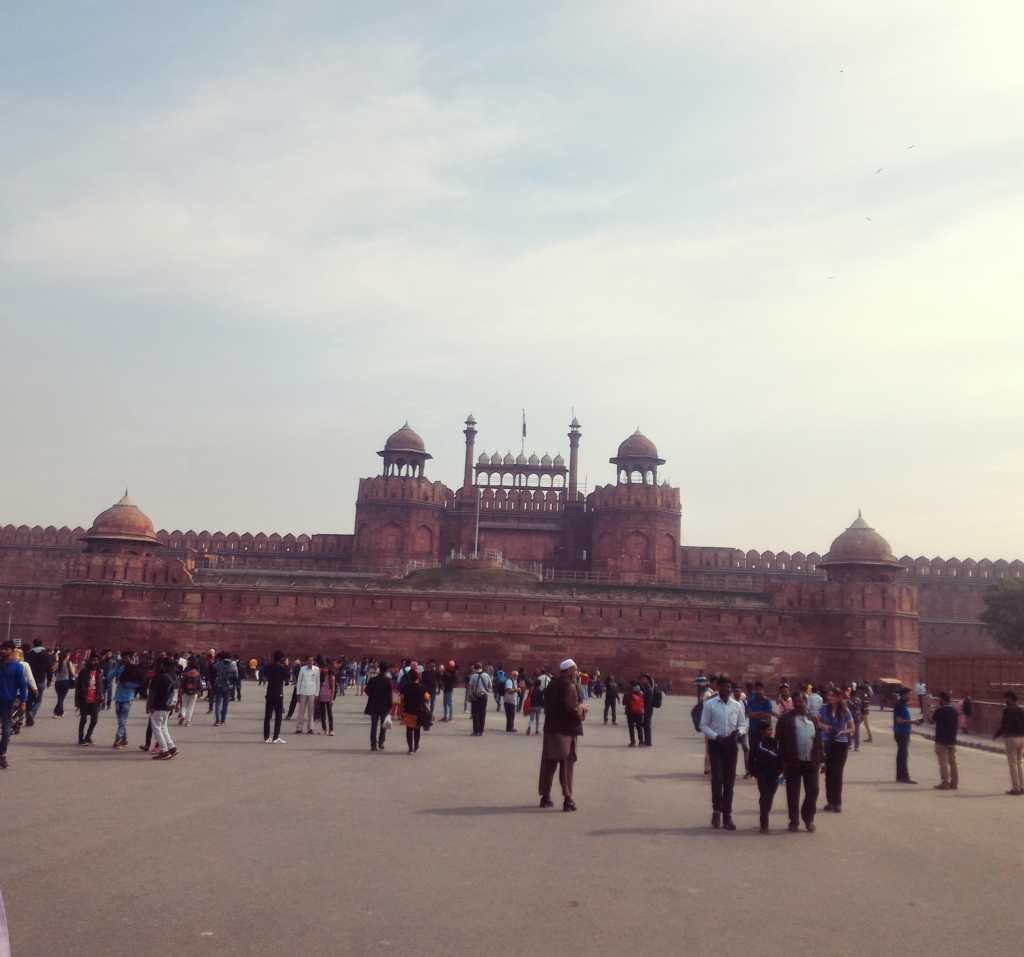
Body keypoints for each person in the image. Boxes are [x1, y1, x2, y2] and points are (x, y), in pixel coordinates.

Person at [699, 675, 747, 830]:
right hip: (716, 745)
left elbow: (743, 724)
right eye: (725, 687)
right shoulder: (710, 704)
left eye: (729, 687)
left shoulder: (737, 705)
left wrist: (738, 732)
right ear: (718, 688)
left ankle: (728, 816)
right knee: (717, 779)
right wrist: (716, 736)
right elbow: (703, 725)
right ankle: (716, 812)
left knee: (729, 782)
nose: (728, 689)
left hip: (731, 745)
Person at [538, 659, 586, 811]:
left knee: (548, 764)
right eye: (575, 670)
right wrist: (582, 709)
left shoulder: (552, 684)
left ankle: (545, 797)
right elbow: (572, 708)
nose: (577, 673)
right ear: (570, 670)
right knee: (566, 766)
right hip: (565, 731)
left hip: (550, 729)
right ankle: (568, 799)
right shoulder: (570, 686)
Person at [776, 691, 822, 832]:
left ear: (806, 703)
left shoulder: (813, 719)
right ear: (794, 703)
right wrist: (781, 763)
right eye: (796, 701)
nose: (799, 703)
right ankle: (794, 821)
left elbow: (818, 740)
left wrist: (822, 759)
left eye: (801, 701)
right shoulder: (785, 719)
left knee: (813, 790)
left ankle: (808, 818)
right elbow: (778, 741)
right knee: (793, 793)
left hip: (811, 761)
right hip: (793, 761)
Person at [819, 688, 855, 812]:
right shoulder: (824, 708)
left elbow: (852, 728)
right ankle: (830, 802)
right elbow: (817, 721)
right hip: (827, 743)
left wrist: (842, 731)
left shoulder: (845, 710)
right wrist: (825, 727)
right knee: (828, 773)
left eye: (833, 696)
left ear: (839, 697)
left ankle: (837, 802)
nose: (830, 698)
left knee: (837, 773)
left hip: (841, 743)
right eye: (829, 695)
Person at [750, 717, 783, 833]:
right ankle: (764, 823)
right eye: (768, 730)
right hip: (762, 774)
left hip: (774, 774)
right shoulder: (757, 744)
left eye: (771, 729)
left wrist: (781, 770)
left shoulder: (775, 743)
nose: (771, 731)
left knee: (770, 797)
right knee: (764, 796)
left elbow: (781, 757)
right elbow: (751, 758)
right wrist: (753, 772)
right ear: (762, 731)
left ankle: (765, 813)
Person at [0, 640, 29, 769]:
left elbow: (22, 685)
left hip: (8, 702)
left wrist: (23, 701)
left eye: (6, 649)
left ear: (12, 650)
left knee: (6, 731)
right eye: (2, 648)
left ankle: (2, 754)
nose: (3, 651)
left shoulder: (18, 667)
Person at [993, 690, 1024, 796]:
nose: (1005, 700)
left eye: (1006, 698)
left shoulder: (1007, 710)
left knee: (1013, 764)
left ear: (1010, 698)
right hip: (1021, 737)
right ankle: (1022, 786)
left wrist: (997, 734)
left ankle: (1016, 788)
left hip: (1011, 738)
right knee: (1019, 763)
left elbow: (1004, 725)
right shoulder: (1020, 709)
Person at [148, 657, 178, 760]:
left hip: (159, 706)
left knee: (157, 728)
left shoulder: (160, 677)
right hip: (168, 706)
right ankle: (171, 747)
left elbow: (154, 693)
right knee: (164, 727)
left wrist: (151, 706)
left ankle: (164, 751)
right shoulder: (173, 677)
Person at [111, 652, 143, 749]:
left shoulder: (134, 669)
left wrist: (127, 684)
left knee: (122, 719)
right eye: (124, 658)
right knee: (120, 720)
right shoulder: (120, 668)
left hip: (128, 697)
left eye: (127, 658)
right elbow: (109, 677)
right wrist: (116, 667)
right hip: (118, 697)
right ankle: (124, 739)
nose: (125, 660)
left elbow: (139, 684)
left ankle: (119, 738)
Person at [931, 690, 960, 791]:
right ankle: (954, 783)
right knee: (952, 762)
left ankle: (945, 783)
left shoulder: (940, 710)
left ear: (942, 700)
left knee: (943, 762)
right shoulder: (955, 711)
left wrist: (934, 709)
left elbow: (931, 721)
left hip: (941, 740)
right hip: (952, 739)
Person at [893, 687, 922, 783]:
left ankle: (900, 776)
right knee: (903, 755)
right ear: (904, 695)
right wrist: (913, 722)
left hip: (902, 732)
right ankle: (904, 777)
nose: (910, 696)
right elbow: (899, 721)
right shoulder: (900, 705)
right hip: (901, 732)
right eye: (909, 694)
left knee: (901, 754)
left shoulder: (902, 704)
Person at [74, 656, 104, 746]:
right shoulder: (83, 672)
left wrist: (102, 697)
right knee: (83, 719)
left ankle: (88, 736)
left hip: (95, 700)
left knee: (94, 720)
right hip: (84, 699)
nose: (93, 663)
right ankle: (80, 739)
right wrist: (77, 702)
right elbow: (78, 688)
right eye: (92, 661)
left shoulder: (98, 673)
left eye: (95, 661)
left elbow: (100, 686)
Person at [364, 661, 393, 751]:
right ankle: (381, 742)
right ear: (387, 670)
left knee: (374, 725)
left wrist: (372, 695)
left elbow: (366, 690)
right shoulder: (388, 681)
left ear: (379, 668)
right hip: (384, 706)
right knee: (383, 725)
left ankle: (373, 744)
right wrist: (390, 706)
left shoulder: (373, 679)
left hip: (374, 704)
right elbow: (390, 695)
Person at [401, 667, 430, 754]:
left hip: (408, 710)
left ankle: (410, 748)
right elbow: (427, 698)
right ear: (417, 677)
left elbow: (401, 698)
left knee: (409, 730)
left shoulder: (406, 687)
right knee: (417, 730)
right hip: (419, 711)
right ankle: (416, 746)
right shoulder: (422, 687)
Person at [262, 650, 289, 743]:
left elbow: (263, 673)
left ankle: (266, 737)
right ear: (281, 658)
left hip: (269, 693)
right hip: (278, 694)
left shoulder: (269, 667)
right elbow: (287, 678)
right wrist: (286, 665)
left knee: (267, 716)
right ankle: (275, 737)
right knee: (278, 716)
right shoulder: (282, 668)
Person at [25, 639, 52, 725]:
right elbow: (49, 669)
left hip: (30, 681)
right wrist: (49, 680)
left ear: (33, 644)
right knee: (38, 700)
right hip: (41, 680)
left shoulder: (29, 654)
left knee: (29, 700)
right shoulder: (46, 655)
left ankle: (28, 717)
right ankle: (32, 713)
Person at [211, 652, 238, 726]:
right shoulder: (233, 664)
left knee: (217, 703)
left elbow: (213, 668)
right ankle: (223, 721)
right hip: (228, 686)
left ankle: (217, 720)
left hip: (219, 685)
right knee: (225, 704)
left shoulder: (219, 663)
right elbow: (236, 676)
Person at [467, 663, 492, 736]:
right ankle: (481, 731)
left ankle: (476, 731)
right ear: (481, 668)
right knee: (482, 714)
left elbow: (470, 687)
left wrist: (470, 696)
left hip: (475, 697)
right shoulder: (486, 675)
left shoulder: (473, 676)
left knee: (475, 714)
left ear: (475, 668)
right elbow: (490, 686)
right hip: (484, 696)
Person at [52, 649, 76, 718]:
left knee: (60, 697)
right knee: (61, 698)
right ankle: (57, 713)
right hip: (65, 682)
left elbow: (52, 670)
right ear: (67, 656)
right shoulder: (69, 663)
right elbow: (73, 673)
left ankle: (60, 712)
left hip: (58, 683)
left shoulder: (58, 663)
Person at [178, 658, 202, 726]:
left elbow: (182, 683)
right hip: (194, 692)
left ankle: (183, 715)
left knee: (184, 705)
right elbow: (199, 684)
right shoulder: (197, 674)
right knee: (190, 707)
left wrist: (181, 689)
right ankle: (188, 722)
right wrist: (199, 691)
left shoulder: (186, 674)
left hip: (185, 691)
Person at [625, 681, 646, 747]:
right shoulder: (641, 693)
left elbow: (624, 702)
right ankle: (641, 742)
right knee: (639, 727)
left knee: (631, 728)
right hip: (639, 713)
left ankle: (633, 742)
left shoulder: (628, 693)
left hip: (630, 713)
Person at [317, 662, 336, 735]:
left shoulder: (332, 677)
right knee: (322, 714)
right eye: (324, 668)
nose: (325, 670)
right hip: (321, 697)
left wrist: (331, 699)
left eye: (326, 668)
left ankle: (331, 730)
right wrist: (318, 697)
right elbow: (318, 687)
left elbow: (333, 689)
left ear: (329, 669)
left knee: (330, 714)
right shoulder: (320, 677)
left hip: (328, 698)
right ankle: (324, 729)